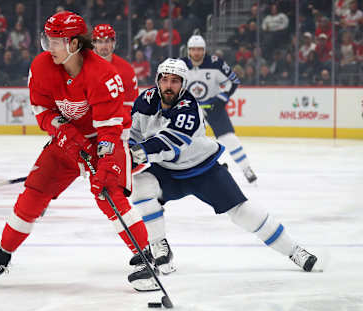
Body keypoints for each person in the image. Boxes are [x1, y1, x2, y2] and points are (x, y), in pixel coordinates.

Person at [0, 11, 151, 291]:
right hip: (66, 140)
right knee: (33, 194)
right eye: (47, 40)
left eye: (55, 41)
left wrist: (104, 161)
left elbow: (110, 129)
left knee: (109, 195)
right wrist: (64, 132)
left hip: (103, 140)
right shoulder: (43, 66)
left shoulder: (104, 74)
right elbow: (42, 110)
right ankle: (2, 255)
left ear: (74, 44)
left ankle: (145, 259)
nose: (49, 48)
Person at [128, 58, 320, 280]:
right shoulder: (145, 100)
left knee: (242, 212)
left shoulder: (189, 107)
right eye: (165, 80)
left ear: (184, 84)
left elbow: (167, 143)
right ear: (157, 81)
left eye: (175, 81)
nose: (169, 85)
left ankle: (294, 251)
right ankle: (159, 246)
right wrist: (120, 155)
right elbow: (133, 134)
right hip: (167, 171)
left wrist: (133, 154)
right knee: (141, 185)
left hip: (202, 169)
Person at [182, 35, 257, 183]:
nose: (196, 53)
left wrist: (220, 99)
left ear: (204, 51)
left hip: (214, 108)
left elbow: (233, 81)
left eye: (199, 49)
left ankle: (246, 169)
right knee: (185, 143)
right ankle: (192, 172)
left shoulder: (215, 63)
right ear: (188, 51)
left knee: (229, 139)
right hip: (190, 110)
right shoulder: (180, 65)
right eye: (193, 50)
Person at [92, 24, 139, 113]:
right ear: (94, 43)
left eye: (107, 41)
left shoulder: (126, 69)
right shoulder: (83, 66)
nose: (104, 46)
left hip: (116, 122)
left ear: (113, 43)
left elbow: (131, 104)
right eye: (100, 42)